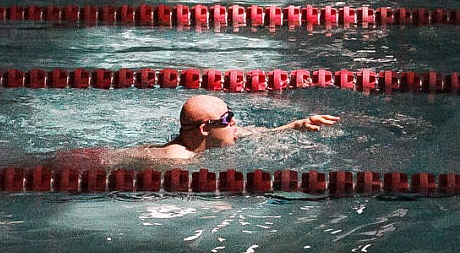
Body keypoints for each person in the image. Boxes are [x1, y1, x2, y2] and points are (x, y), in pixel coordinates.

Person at [57, 95, 340, 167]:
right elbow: (113, 160)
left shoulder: (210, 138)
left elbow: (249, 133)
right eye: (229, 118)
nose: (236, 125)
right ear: (206, 129)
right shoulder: (176, 159)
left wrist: (293, 126)